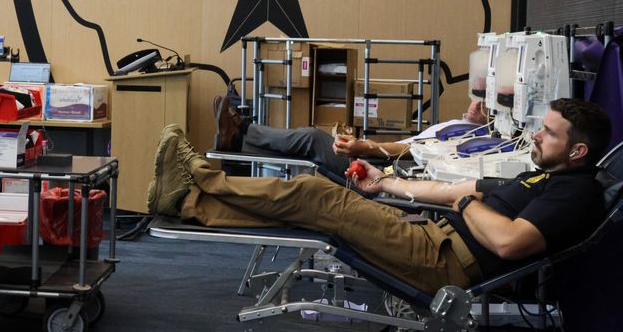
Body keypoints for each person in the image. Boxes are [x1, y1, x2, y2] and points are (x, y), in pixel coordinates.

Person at [148, 98, 610, 294]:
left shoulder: (576, 194)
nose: (536, 136)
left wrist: (465, 204)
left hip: (443, 261)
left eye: (548, 133)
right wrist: (385, 182)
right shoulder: (540, 176)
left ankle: (200, 177)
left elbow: (509, 242)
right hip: (432, 237)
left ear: (578, 151)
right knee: (310, 208)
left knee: (317, 196)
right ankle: (187, 201)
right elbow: (452, 188)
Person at [212, 95, 488, 176]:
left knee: (310, 139)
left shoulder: (478, 144)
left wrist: (365, 147)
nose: (476, 104)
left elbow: (412, 152)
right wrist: (470, 121)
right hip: (380, 159)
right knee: (303, 150)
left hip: (378, 168)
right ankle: (237, 141)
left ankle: (241, 132)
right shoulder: (470, 131)